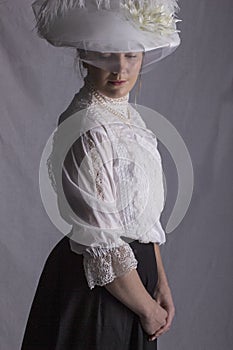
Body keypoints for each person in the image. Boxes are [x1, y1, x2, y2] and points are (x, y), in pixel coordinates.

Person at [21, 1, 181, 349]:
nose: (120, 68)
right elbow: (103, 246)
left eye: (131, 56)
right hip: (100, 291)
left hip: (134, 287)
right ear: (85, 54)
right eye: (107, 55)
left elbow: (143, 220)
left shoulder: (132, 120)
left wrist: (161, 284)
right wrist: (148, 310)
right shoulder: (87, 126)